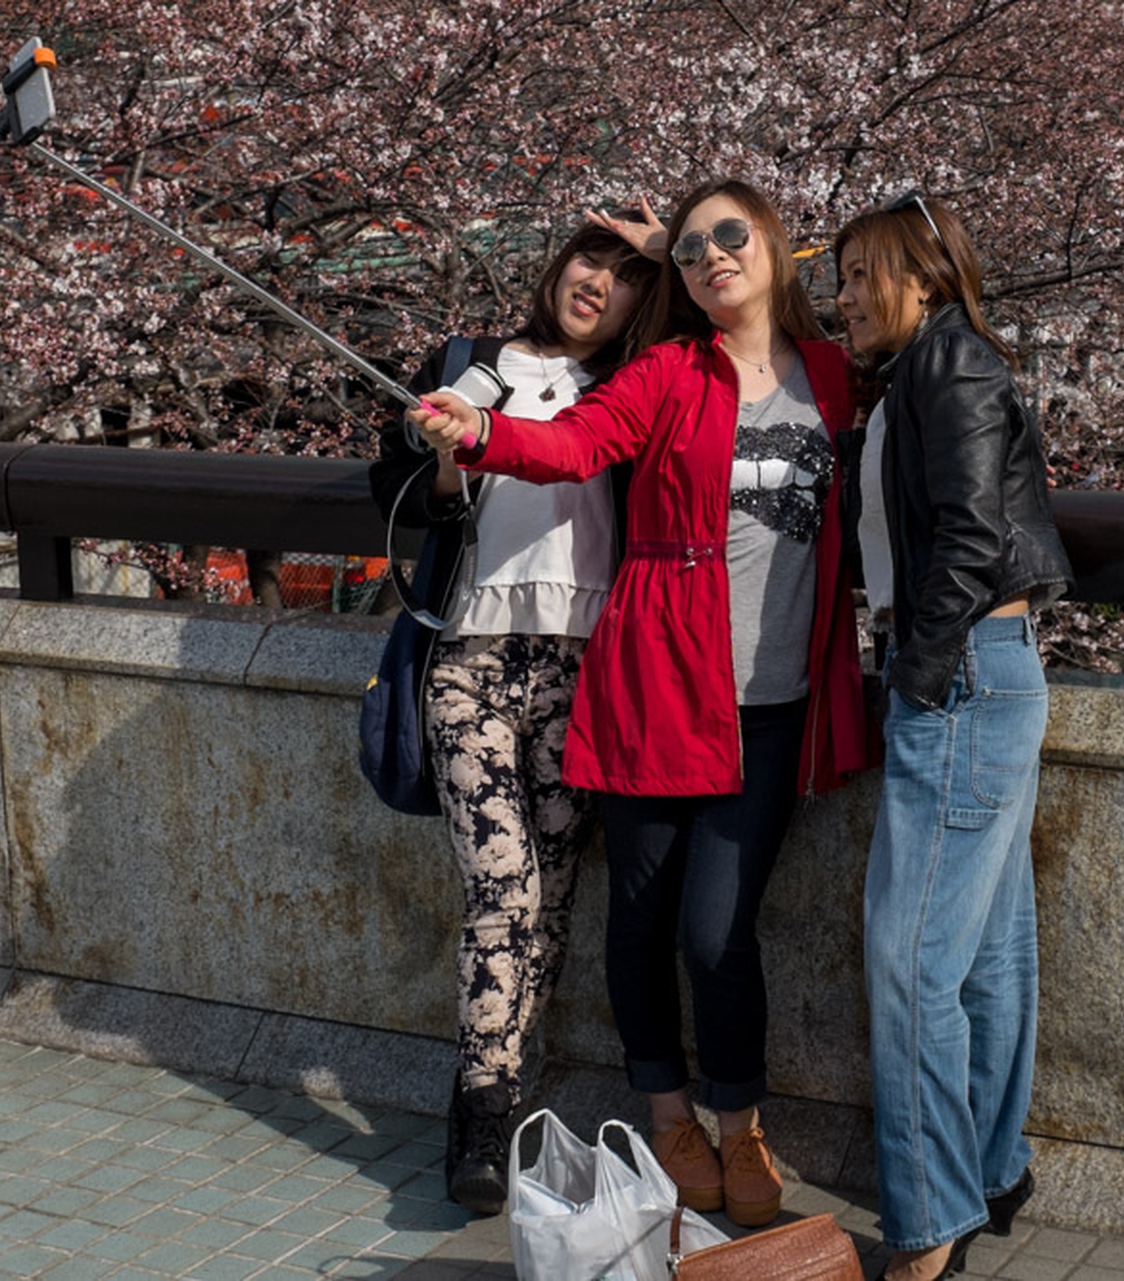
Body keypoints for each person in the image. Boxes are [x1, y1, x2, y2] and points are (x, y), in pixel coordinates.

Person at [415, 181, 874, 1227]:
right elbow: (573, 442)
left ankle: (740, 1122)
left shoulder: (839, 379)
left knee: (718, 931)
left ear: (778, 247)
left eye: (734, 236)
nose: (716, 256)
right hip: (657, 680)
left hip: (775, 698)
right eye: (697, 246)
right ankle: (668, 1114)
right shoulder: (669, 370)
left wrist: (679, 239)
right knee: (641, 911)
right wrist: (479, 433)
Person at [369, 220, 657, 1214]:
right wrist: (442, 455)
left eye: (628, 277)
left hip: (584, 667)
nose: (599, 283)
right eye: (591, 257)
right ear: (556, 262)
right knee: (504, 885)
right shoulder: (468, 364)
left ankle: (508, 1086)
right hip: (472, 657)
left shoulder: (635, 384)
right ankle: (482, 1109)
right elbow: (408, 503)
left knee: (556, 891)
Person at [832, 192, 1072, 1279]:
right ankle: (991, 1165)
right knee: (984, 954)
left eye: (856, 277)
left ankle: (929, 1223)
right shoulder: (925, 367)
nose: (840, 299)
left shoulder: (949, 363)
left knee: (909, 962)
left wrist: (919, 680)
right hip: (986, 668)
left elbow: (972, 532)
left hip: (963, 668)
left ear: (918, 277)